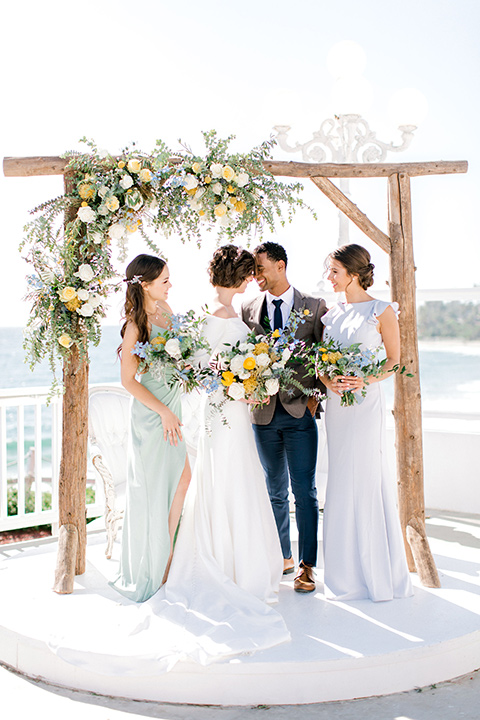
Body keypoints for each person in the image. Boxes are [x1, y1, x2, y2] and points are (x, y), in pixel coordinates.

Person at [321, 243, 413, 602]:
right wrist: (328, 380)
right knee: (341, 480)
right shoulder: (331, 314)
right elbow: (320, 362)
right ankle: (343, 575)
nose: (329, 277)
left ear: (353, 275)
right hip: (336, 406)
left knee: (366, 478)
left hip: (364, 404)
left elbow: (394, 361)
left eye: (334, 272)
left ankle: (376, 574)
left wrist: (365, 380)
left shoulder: (382, 310)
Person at [242, 241, 327, 593]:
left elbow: (327, 358)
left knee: (303, 492)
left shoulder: (314, 306)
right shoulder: (247, 308)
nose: (256, 276)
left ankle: (307, 566)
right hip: (262, 416)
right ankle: (282, 557)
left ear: (280, 265)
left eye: (260, 268)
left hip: (299, 415)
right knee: (273, 492)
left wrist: (315, 399)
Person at [111, 254, 191, 602]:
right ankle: (155, 567)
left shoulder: (169, 311)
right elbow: (129, 381)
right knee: (155, 489)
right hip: (152, 414)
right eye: (164, 281)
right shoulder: (135, 325)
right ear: (144, 284)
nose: (170, 286)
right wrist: (163, 412)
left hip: (172, 407)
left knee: (181, 480)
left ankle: (168, 558)